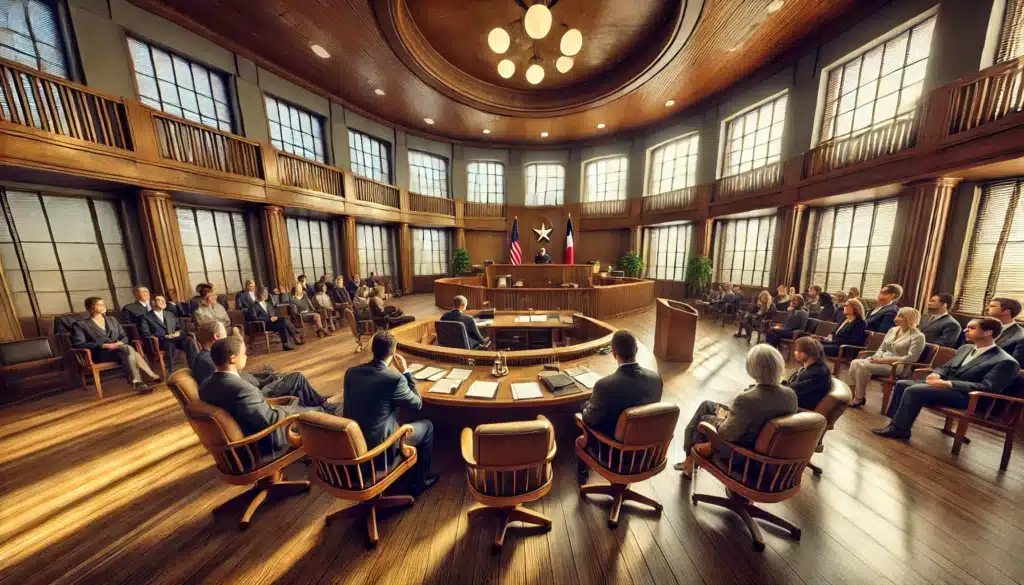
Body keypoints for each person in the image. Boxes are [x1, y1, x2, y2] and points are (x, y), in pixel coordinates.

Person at [873, 318, 1019, 440]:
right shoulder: (965, 348)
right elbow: (946, 367)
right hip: (947, 389)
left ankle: (900, 430)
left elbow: (987, 387)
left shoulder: (1005, 361)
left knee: (914, 390)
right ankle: (895, 423)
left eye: (972, 328)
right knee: (902, 383)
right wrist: (937, 374)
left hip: (969, 398)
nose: (965, 330)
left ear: (988, 332)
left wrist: (948, 383)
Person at [674, 344, 797, 477]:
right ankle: (690, 461)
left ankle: (690, 458)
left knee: (703, 420)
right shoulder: (790, 395)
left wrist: (723, 420)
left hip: (743, 454)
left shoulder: (746, 399)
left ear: (752, 368)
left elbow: (726, 434)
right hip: (771, 454)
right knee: (707, 405)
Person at [198, 336, 328, 458]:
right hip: (263, 443)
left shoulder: (206, 384)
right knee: (317, 413)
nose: (246, 356)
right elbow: (271, 420)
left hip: (237, 445)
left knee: (308, 409)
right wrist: (290, 408)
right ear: (232, 358)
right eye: (243, 353)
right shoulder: (242, 389)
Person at [343, 331, 438, 495]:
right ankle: (421, 482)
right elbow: (417, 404)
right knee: (428, 426)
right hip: (378, 451)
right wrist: (406, 372)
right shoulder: (394, 378)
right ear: (393, 353)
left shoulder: (351, 373)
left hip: (351, 445)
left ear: (373, 349)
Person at [579, 330, 663, 483]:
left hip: (616, 455)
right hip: (648, 452)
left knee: (581, 425)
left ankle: (582, 478)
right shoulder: (656, 379)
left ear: (613, 353)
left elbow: (590, 420)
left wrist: (584, 406)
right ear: (636, 350)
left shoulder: (605, 386)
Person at [71, 296, 161, 393]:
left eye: (103, 304)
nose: (103, 306)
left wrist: (120, 342)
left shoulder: (112, 319)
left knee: (127, 349)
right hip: (102, 353)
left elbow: (124, 336)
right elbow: (78, 344)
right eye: (99, 305)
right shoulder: (81, 324)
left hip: (120, 350)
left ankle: (138, 383)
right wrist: (103, 345)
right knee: (130, 350)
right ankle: (150, 376)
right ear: (90, 308)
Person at [846, 307, 926, 408]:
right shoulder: (892, 330)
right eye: (898, 315)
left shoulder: (918, 336)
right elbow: (882, 348)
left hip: (897, 367)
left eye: (901, 316)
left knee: (862, 366)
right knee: (855, 362)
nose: (896, 318)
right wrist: (875, 358)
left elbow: (911, 358)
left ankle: (859, 398)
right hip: (880, 360)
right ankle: (851, 393)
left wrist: (882, 360)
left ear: (909, 318)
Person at [139, 294, 199, 375]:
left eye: (163, 300)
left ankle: (195, 367)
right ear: (152, 302)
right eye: (159, 300)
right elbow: (146, 333)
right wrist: (165, 336)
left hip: (175, 339)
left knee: (189, 340)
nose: (162, 302)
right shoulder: (146, 317)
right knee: (170, 343)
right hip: (160, 341)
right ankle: (170, 370)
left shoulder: (170, 314)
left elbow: (179, 328)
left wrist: (178, 332)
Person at [784, 336, 832, 410]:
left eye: (797, 350)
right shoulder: (813, 367)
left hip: (798, 408)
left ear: (808, 353)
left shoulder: (817, 373)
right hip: (793, 400)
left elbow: (794, 390)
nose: (795, 352)